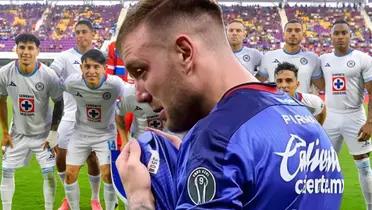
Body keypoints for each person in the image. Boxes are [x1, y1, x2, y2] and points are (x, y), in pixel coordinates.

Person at [115, 1, 343, 209]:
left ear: (184, 52)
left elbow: (227, 146)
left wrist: (139, 199)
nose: (140, 94)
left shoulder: (218, 138)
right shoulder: (299, 115)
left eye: (140, 71)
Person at [0, 33, 64, 210]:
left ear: (38, 51)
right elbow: (1, 101)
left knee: (49, 174)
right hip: (17, 133)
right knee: (6, 171)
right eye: (22, 47)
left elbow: (59, 102)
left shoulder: (49, 75)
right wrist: (5, 132)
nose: (25, 52)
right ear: (16, 49)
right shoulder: (5, 73)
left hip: (43, 135)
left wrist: (53, 133)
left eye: (30, 48)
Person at [50, 19, 103, 210]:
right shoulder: (64, 57)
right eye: (77, 32)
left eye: (84, 32)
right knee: (61, 156)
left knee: (92, 158)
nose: (80, 35)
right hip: (70, 115)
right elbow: (51, 74)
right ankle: (67, 196)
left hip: (94, 117)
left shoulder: (101, 56)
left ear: (92, 34)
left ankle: (95, 199)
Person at [62, 49, 124, 210]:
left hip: (106, 135)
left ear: (104, 68)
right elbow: (55, 94)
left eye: (96, 67)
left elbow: (129, 100)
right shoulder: (72, 83)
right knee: (69, 174)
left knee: (108, 175)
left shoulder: (115, 85)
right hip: (80, 133)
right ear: (81, 68)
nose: (91, 71)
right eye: (87, 66)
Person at [321, 19, 372, 210]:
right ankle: (322, 205)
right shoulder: (324, 59)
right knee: (323, 165)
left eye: (344, 33)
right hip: (331, 116)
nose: (340, 37)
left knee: (363, 165)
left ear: (351, 35)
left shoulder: (363, 58)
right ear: (331, 37)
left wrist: (370, 122)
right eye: (337, 33)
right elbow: (317, 84)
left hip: (355, 116)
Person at [257, 19, 324, 93]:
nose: (293, 33)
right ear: (283, 34)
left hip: (301, 104)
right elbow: (256, 83)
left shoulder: (313, 58)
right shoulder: (269, 57)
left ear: (303, 34)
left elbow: (321, 86)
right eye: (289, 30)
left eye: (297, 30)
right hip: (278, 103)